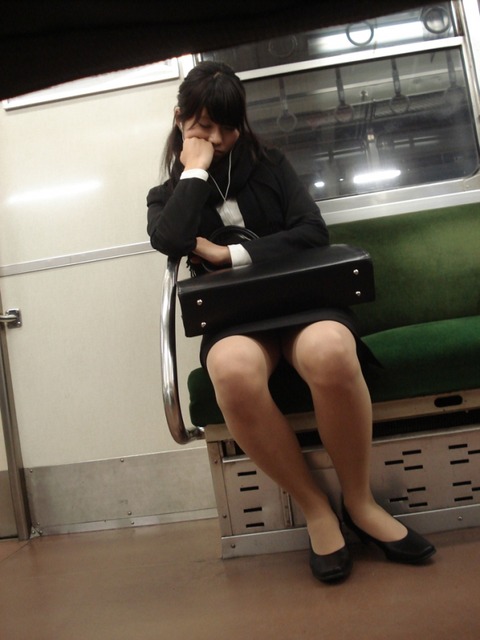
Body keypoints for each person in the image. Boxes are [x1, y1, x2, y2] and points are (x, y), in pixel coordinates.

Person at [146, 61, 436, 584]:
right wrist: (194, 171)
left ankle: (359, 503)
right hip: (236, 317)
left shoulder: (271, 165)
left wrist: (228, 255)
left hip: (303, 302)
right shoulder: (169, 195)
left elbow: (312, 232)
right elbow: (169, 239)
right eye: (205, 126)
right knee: (231, 372)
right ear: (179, 117)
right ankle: (316, 508)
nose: (219, 139)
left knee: (330, 351)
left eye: (228, 127)